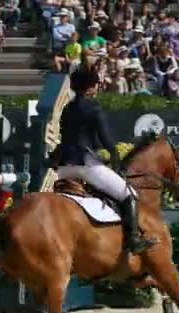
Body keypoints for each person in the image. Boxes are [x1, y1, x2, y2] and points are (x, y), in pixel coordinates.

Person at [54, 70, 158, 254]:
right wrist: (115, 157)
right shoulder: (94, 108)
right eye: (96, 85)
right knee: (129, 194)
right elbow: (105, 140)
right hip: (85, 166)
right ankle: (133, 239)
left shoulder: (67, 109)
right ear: (90, 87)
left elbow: (69, 137)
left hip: (63, 168)